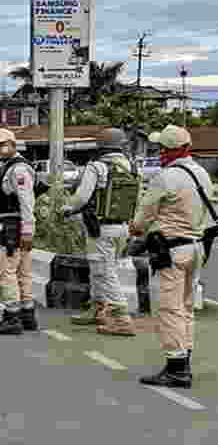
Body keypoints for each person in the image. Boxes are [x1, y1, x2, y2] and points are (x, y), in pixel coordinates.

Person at [130, 125, 212, 388]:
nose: (160, 153)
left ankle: (176, 367)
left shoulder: (165, 177)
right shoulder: (202, 173)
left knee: (169, 308)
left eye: (162, 149)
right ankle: (184, 356)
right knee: (186, 307)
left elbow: (142, 219)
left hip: (171, 251)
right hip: (197, 247)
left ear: (169, 150)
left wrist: (136, 230)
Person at [61, 128, 138, 337]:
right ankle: (98, 308)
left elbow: (81, 197)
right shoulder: (131, 166)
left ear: (100, 147)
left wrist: (66, 209)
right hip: (122, 227)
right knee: (101, 269)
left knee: (105, 272)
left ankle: (122, 319)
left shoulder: (97, 167)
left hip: (101, 228)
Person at [0, 128, 38, 336]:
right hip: (15, 225)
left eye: (2, 144)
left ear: (13, 145)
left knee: (5, 270)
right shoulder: (8, 166)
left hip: (14, 227)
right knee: (22, 271)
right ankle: (27, 314)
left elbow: (27, 201)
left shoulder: (18, 169)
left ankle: (12, 316)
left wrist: (27, 230)